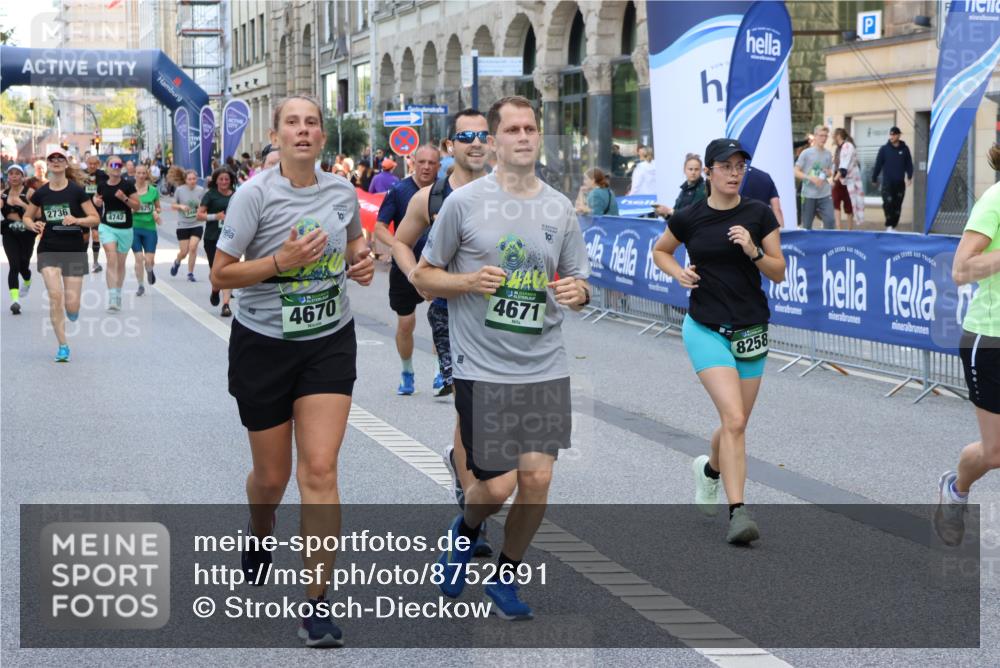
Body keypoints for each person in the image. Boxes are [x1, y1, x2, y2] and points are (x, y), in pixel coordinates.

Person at [412, 95, 591, 619]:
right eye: (511, 129)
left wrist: (579, 293)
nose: (523, 136)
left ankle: (507, 576)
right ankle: (466, 527)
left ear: (540, 135)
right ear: (492, 141)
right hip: (482, 366)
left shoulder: (559, 207)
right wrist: (467, 281)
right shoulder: (464, 205)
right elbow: (424, 277)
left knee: (536, 480)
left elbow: (576, 279)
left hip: (544, 365)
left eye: (530, 127)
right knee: (497, 486)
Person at [211, 95, 373, 648]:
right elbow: (222, 275)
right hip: (264, 345)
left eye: (312, 123)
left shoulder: (341, 190)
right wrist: (282, 262)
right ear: (277, 135)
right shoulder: (253, 197)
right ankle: (260, 533)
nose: (303, 131)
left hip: (328, 340)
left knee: (321, 471)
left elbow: (354, 245)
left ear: (323, 138)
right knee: (272, 480)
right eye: (292, 123)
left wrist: (363, 262)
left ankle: (317, 605)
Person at [652, 138, 785, 544]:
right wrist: (678, 273)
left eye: (740, 166)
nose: (734, 173)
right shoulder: (691, 217)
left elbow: (778, 272)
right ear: (708, 171)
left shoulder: (759, 214)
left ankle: (709, 470)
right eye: (725, 166)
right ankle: (739, 513)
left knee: (736, 422)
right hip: (706, 327)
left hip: (751, 329)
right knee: (735, 420)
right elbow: (661, 251)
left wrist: (753, 250)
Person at [392, 108, 494, 555]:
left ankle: (462, 464)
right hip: (450, 310)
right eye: (465, 135)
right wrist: (419, 276)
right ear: (451, 145)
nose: (475, 142)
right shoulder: (430, 198)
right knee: (466, 405)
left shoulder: (508, 191)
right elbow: (399, 239)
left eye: (482, 134)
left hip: (499, 315)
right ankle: (474, 508)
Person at [934, 143, 1000, 547]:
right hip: (990, 338)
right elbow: (960, 269)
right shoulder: (995, 200)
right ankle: (955, 490)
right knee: (995, 454)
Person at [373, 145, 441, 395]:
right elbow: (380, 227)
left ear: (438, 164)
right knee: (406, 324)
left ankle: (439, 372)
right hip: (405, 269)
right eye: (421, 162)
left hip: (437, 266)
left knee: (440, 321)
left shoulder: (446, 190)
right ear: (413, 162)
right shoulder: (399, 190)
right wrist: (398, 246)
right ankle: (407, 371)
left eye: (432, 163)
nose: (426, 167)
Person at [22, 148, 100, 362]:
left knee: (72, 305)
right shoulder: (41, 193)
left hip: (74, 250)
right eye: (52, 159)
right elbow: (27, 217)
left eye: (60, 158)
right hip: (48, 248)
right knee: (55, 295)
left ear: (66, 165)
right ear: (48, 165)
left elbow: (94, 218)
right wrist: (33, 224)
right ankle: (63, 345)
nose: (56, 161)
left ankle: (72, 311)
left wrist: (77, 220)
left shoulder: (77, 192)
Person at [93, 154, 139, 311]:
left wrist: (124, 198)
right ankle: (112, 296)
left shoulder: (128, 185)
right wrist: (96, 201)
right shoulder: (102, 185)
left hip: (125, 229)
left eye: (119, 165)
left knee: (120, 263)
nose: (117, 168)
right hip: (107, 227)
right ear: (107, 167)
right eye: (113, 165)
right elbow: (96, 198)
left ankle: (118, 292)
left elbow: (137, 206)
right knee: (111, 259)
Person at [197, 166, 236, 317]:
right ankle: (215, 290)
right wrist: (215, 217)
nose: (224, 182)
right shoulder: (210, 195)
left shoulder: (236, 195)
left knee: (229, 271)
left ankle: (226, 305)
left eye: (227, 179)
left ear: (231, 180)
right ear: (216, 181)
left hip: (231, 237)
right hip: (212, 237)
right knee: (216, 272)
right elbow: (199, 216)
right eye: (221, 179)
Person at [2, 165, 37, 315]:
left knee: (24, 264)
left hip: (26, 231)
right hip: (9, 231)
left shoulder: (29, 193)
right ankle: (15, 301)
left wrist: (22, 204)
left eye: (17, 174)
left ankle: (28, 280)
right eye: (11, 174)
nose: (14, 176)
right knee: (14, 265)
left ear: (23, 177)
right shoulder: (3, 194)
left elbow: (39, 212)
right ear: (7, 177)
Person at [871, 126, 913, 231]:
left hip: (899, 183)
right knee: (888, 203)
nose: (892, 136)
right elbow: (878, 164)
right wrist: (874, 178)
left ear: (899, 135)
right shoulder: (884, 149)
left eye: (894, 134)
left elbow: (909, 164)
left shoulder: (905, 149)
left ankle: (893, 226)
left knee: (897, 205)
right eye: (891, 134)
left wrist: (909, 176)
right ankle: (889, 224)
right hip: (887, 183)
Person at [794, 125, 835, 230]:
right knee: (807, 226)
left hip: (825, 194)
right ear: (815, 136)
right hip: (808, 195)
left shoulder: (828, 154)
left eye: (826, 136)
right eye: (821, 135)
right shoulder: (806, 153)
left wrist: (828, 172)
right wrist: (810, 178)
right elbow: (795, 171)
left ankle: (828, 245)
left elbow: (830, 172)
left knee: (830, 221)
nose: (824, 138)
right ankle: (808, 246)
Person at [169, 170, 205, 282]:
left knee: (193, 247)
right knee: (184, 252)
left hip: (197, 224)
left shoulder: (201, 190)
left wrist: (201, 208)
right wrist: (181, 206)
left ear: (197, 179)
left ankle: (190, 273)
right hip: (183, 225)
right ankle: (177, 261)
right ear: (185, 180)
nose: (192, 181)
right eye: (189, 179)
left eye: (194, 179)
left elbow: (204, 205)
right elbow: (173, 206)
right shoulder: (180, 190)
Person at [131, 163, 160, 296]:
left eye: (143, 173)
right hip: (134, 228)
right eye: (139, 173)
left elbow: (158, 207)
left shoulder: (153, 190)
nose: (141, 175)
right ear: (134, 174)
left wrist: (156, 212)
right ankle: (140, 285)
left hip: (149, 229)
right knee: (138, 258)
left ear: (146, 175)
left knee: (149, 260)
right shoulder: (130, 190)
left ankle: (149, 270)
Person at [654, 153, 707, 219]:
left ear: (701, 171)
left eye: (696, 169)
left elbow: (692, 215)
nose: (693, 172)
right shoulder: (683, 190)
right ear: (684, 170)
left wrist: (669, 211)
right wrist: (665, 214)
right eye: (690, 169)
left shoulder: (703, 189)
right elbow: (675, 217)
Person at [832, 128, 864, 230]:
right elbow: (837, 165)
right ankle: (839, 228)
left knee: (848, 205)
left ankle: (850, 230)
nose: (832, 137)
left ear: (838, 136)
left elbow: (843, 168)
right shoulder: (839, 148)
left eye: (834, 135)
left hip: (847, 181)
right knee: (836, 203)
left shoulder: (847, 146)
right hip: (840, 180)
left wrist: (833, 180)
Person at [82, 154, 107, 272]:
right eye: (90, 163)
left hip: (96, 207)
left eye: (94, 164)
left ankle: (95, 263)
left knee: (96, 234)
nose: (92, 166)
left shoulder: (102, 175)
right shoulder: (81, 174)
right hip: (83, 207)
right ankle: (83, 260)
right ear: (86, 163)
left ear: (98, 164)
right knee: (85, 237)